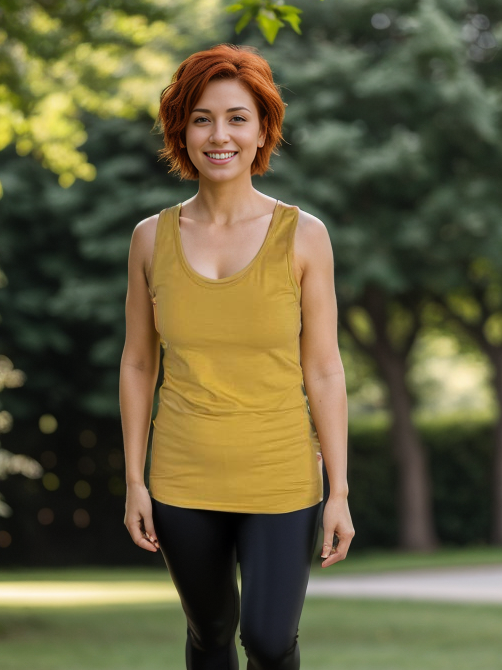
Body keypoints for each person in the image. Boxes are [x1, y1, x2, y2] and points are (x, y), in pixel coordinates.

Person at [120, 42, 354, 670]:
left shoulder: (304, 236)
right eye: (201, 117)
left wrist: (340, 490)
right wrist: (134, 480)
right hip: (180, 475)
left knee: (271, 641)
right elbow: (138, 363)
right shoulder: (150, 239)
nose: (218, 134)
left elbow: (325, 368)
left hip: (281, 474)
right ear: (181, 130)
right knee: (211, 633)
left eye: (237, 117)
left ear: (261, 132)